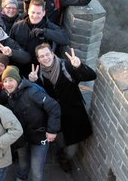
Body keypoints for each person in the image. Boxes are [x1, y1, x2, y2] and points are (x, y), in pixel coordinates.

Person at [29, 43, 97, 172]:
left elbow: (91, 76)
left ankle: (64, 158)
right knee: (60, 141)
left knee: (71, 147)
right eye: (41, 56)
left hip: (73, 113)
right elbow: (40, 93)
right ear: (38, 59)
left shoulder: (66, 66)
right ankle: (60, 153)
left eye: (47, 54)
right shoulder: (40, 74)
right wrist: (33, 81)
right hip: (55, 115)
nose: (45, 58)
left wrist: (79, 66)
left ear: (52, 54)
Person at [0, 65, 61, 181]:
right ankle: (21, 177)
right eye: (5, 81)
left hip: (40, 136)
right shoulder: (8, 93)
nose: (8, 84)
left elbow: (54, 106)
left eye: (11, 80)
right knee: (23, 162)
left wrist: (52, 130)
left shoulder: (32, 92)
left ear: (17, 80)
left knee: (36, 170)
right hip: (22, 137)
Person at [9, 0, 70, 66]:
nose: (35, 16)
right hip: (20, 65)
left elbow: (65, 39)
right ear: (28, 11)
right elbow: (11, 44)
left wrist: (44, 32)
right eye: (33, 12)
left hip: (41, 67)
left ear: (43, 13)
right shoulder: (17, 26)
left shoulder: (50, 27)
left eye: (38, 13)